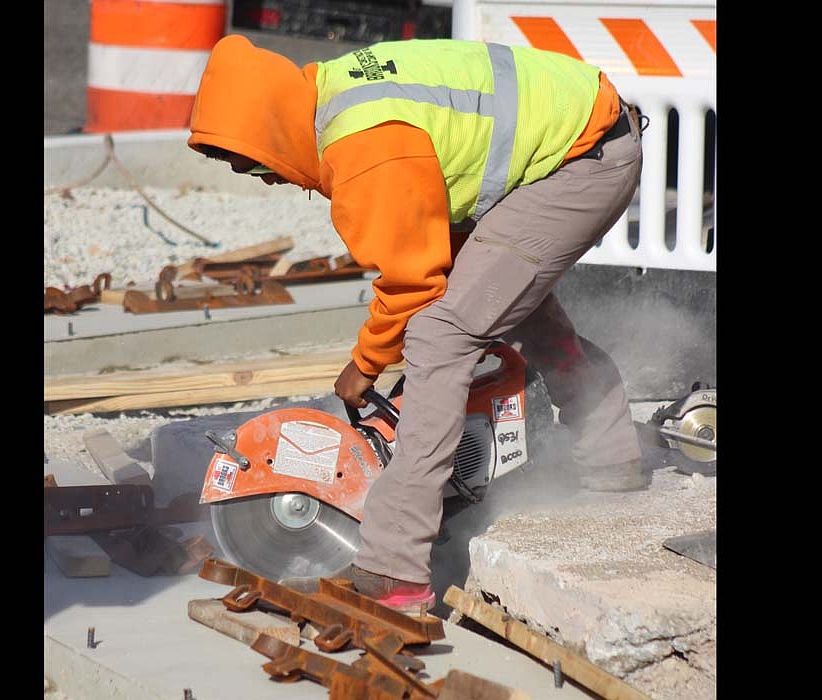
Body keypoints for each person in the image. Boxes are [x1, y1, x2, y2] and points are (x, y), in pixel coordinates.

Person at [187, 34, 649, 613]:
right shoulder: (330, 96)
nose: (263, 177)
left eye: (251, 163)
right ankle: (610, 454)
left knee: (443, 334)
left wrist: (363, 365)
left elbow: (412, 284)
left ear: (271, 130)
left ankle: (394, 565)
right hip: (576, 141)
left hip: (583, 160)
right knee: (500, 298)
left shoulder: (365, 146)